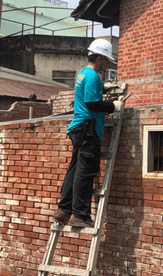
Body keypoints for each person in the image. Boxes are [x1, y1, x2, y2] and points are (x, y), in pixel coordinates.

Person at [53, 39, 124, 228]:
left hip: (79, 128)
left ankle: (63, 210)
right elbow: (92, 104)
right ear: (99, 57)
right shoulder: (92, 76)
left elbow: (88, 96)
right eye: (106, 60)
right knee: (85, 172)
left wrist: (104, 88)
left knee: (75, 170)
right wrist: (112, 106)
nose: (107, 64)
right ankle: (80, 214)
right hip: (87, 129)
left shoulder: (83, 74)